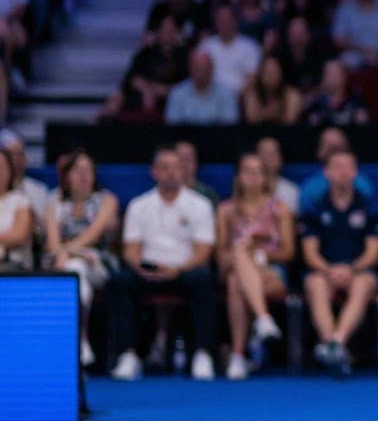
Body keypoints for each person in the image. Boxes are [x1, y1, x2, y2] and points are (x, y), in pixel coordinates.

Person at [106, 147, 218, 381]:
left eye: (177, 167)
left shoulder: (200, 205)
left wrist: (177, 270)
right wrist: (141, 268)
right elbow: (130, 250)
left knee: (204, 279)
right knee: (120, 281)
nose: (171, 173)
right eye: (165, 168)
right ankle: (128, 354)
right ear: (154, 172)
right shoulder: (139, 205)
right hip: (148, 271)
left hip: (183, 271)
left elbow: (204, 252)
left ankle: (202, 353)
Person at [299, 149, 378, 376]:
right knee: (315, 284)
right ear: (326, 172)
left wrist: (351, 269)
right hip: (324, 271)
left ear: (355, 172)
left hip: (359, 272)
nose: (343, 172)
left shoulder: (369, 206)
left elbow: (373, 252)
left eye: (348, 166)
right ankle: (334, 347)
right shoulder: (314, 207)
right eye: (337, 166)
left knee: (362, 284)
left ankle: (335, 343)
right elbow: (310, 253)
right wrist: (330, 270)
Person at [217, 152, 295, 380]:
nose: (252, 177)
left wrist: (259, 253)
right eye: (247, 171)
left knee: (236, 282)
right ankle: (262, 318)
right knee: (238, 257)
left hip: (270, 272)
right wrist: (245, 252)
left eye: (257, 172)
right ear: (238, 177)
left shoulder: (279, 209)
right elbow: (220, 254)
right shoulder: (226, 210)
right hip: (232, 268)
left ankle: (238, 355)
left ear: (265, 177)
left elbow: (289, 252)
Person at [43, 149, 120, 367]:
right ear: (66, 176)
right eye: (77, 170)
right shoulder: (54, 202)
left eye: (88, 170)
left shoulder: (106, 200)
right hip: (63, 262)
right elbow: (52, 243)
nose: (84, 175)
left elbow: (93, 235)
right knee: (74, 270)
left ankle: (77, 339)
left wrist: (67, 252)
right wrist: (68, 254)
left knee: (74, 268)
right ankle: (80, 340)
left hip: (99, 262)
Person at [165, 50, 240, 125]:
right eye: (198, 69)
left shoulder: (226, 93)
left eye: (204, 69)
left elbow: (229, 125)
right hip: (185, 136)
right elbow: (173, 125)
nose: (201, 73)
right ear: (190, 70)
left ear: (212, 69)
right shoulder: (177, 93)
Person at [241, 55, 302, 125]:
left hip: (286, 133)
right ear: (260, 74)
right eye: (267, 72)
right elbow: (251, 118)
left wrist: (262, 114)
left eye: (274, 72)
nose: (270, 76)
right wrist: (270, 112)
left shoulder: (292, 94)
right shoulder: (252, 93)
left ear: (281, 73)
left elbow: (290, 120)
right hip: (257, 133)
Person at [0, 148, 33, 270]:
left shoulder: (20, 200)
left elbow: (20, 236)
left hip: (14, 263)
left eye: (2, 166)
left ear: (10, 171)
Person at [257, 136, 300, 214]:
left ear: (280, 159)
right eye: (264, 153)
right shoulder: (245, 190)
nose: (268, 158)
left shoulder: (291, 192)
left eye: (272, 153)